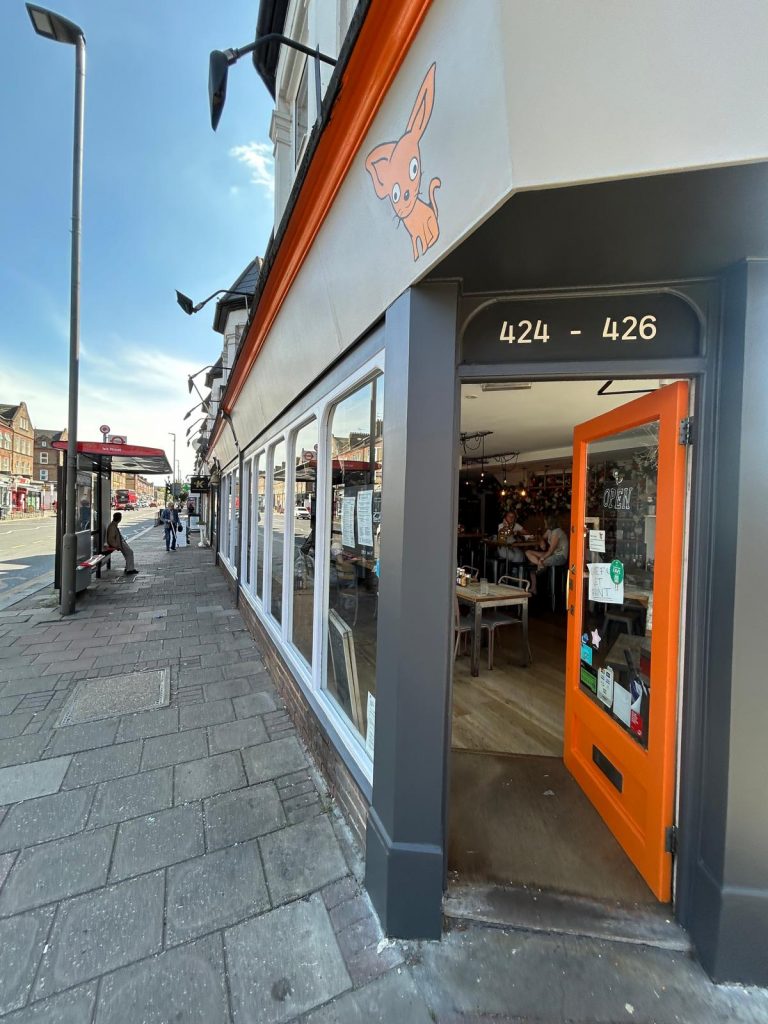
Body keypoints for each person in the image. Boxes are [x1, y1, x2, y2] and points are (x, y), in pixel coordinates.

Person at [525, 515, 569, 594]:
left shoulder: (557, 532)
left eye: (545, 521)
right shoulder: (549, 530)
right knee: (528, 552)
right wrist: (542, 541)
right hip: (552, 554)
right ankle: (539, 566)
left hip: (560, 556)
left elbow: (551, 550)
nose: (544, 523)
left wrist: (542, 558)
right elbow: (542, 537)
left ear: (549, 522)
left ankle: (536, 587)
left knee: (535, 564)